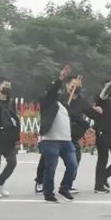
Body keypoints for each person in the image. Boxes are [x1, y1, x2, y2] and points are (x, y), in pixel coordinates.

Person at [37, 65, 79, 203]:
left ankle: (64, 188)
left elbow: (74, 117)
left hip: (66, 141)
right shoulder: (47, 102)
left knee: (73, 165)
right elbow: (52, 91)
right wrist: (60, 78)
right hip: (51, 141)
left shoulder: (62, 105)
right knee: (51, 168)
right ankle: (48, 194)